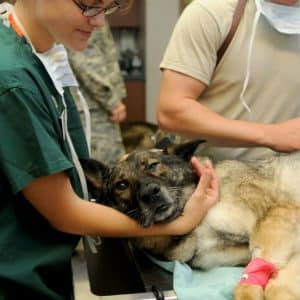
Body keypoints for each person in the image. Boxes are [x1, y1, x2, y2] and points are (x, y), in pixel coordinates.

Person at [0, 1, 219, 299]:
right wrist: (182, 221)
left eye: (108, 8)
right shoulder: (13, 80)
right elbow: (63, 211)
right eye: (90, 6)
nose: (100, 22)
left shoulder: (40, 53)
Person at [157, 0, 300, 161]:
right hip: (217, 177)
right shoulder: (212, 13)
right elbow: (171, 112)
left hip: (291, 177)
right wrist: (270, 134)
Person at [68, 23, 127, 166]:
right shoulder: (89, 12)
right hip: (92, 109)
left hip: (92, 106)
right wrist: (111, 101)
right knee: (105, 171)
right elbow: (85, 61)